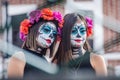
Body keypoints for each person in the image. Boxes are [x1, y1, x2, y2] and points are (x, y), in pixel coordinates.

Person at [7, 8, 64, 78]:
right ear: (34, 31)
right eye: (46, 30)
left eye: (54, 34)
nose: (51, 35)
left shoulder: (44, 60)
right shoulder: (20, 56)